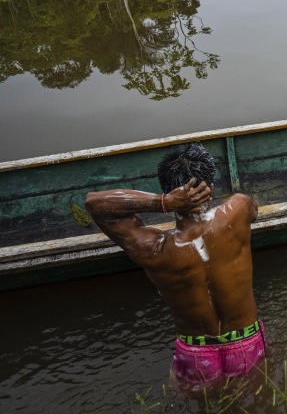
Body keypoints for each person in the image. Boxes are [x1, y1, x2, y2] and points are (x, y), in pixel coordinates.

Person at [85, 142, 264, 395]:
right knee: (256, 402)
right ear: (210, 186)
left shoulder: (153, 248)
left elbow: (94, 203)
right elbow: (252, 213)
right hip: (245, 343)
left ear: (167, 189)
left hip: (196, 352)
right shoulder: (238, 209)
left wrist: (164, 203)